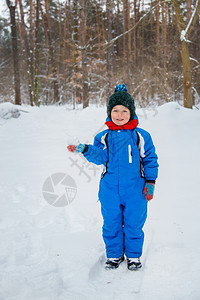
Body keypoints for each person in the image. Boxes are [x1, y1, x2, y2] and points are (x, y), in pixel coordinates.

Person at [67, 84, 159, 271]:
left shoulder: (140, 136)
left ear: (131, 112)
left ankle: (133, 256)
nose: (119, 115)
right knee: (111, 223)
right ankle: (114, 254)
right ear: (109, 113)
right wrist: (84, 149)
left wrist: (150, 182)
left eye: (124, 111)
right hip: (109, 190)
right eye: (115, 110)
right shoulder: (103, 136)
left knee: (134, 223)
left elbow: (150, 159)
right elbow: (100, 157)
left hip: (136, 190)